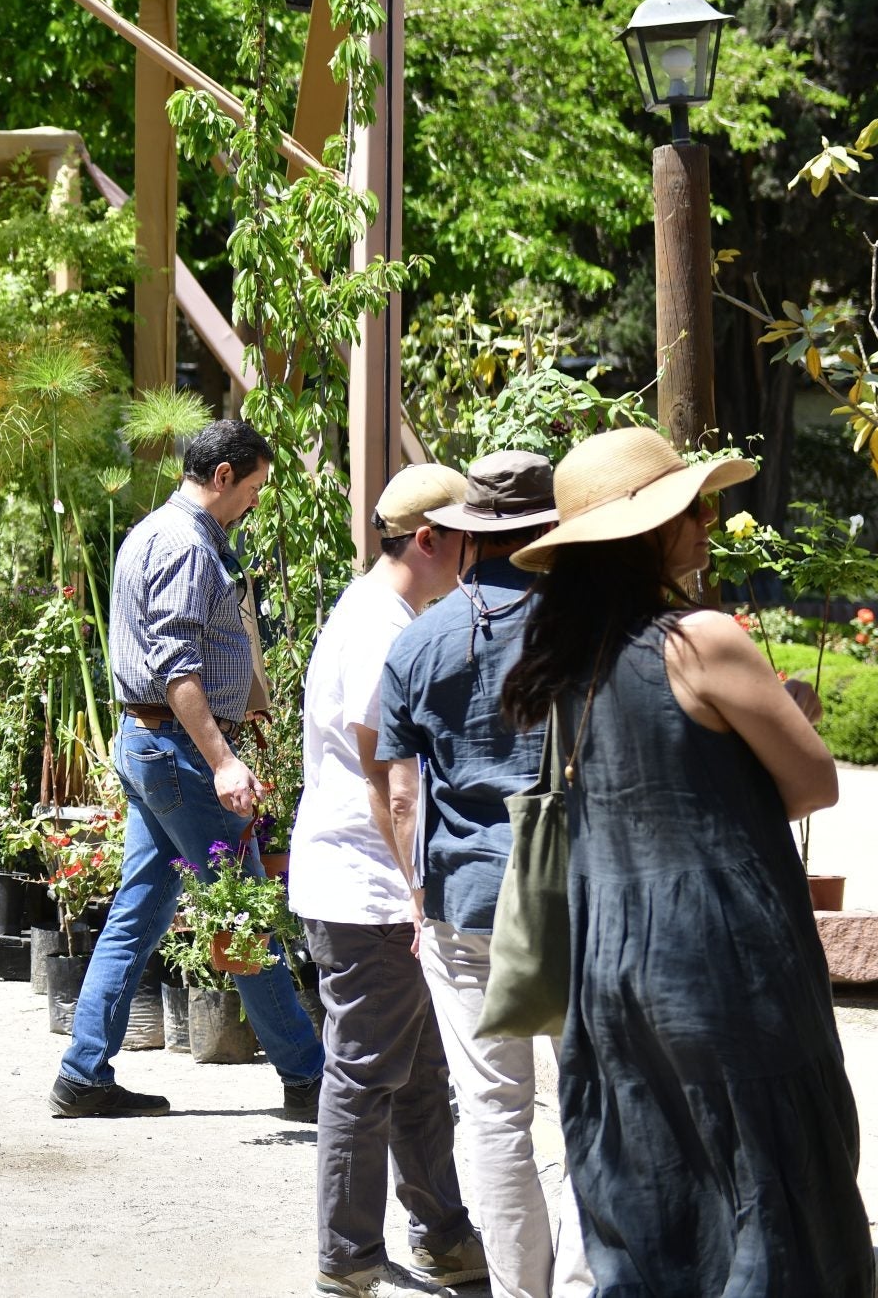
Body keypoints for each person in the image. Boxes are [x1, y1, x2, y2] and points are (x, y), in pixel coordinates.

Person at [500, 428, 870, 1297]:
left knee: (655, 1177)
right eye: (690, 507)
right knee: (771, 1179)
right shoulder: (698, 639)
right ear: (646, 535)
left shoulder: (568, 661)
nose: (708, 518)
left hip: (611, 961)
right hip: (722, 951)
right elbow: (814, 780)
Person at [51, 417, 322, 1119]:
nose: (257, 501)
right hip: (181, 749)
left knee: (139, 910)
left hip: (155, 744)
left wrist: (247, 696)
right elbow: (176, 667)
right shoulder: (187, 545)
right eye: (255, 486)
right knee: (245, 908)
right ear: (223, 475)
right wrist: (224, 758)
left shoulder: (162, 532)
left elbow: (191, 646)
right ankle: (309, 1075)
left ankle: (83, 1074)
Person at [371, 452, 594, 1298]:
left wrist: (419, 897)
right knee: (584, 1108)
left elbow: (399, 793)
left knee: (495, 1114)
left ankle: (517, 1289)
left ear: (466, 534)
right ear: (554, 525)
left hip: (464, 903)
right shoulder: (588, 626)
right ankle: (579, 1282)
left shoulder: (421, 640)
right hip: (578, 898)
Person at [291, 463, 489, 1295]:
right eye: (468, 537)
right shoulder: (383, 625)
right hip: (368, 883)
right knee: (370, 1071)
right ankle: (349, 1256)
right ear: (429, 539)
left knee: (415, 1070)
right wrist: (416, 889)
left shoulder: (387, 610)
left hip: (364, 878)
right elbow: (390, 778)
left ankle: (441, 1232)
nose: (476, 554)